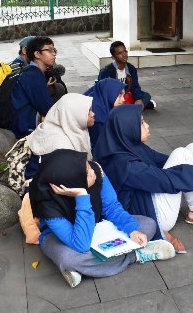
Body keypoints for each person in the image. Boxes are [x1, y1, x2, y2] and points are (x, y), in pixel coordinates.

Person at [28, 96, 175, 288]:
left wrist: (131, 229)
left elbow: (112, 207)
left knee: (147, 225)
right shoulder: (48, 203)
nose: (93, 171)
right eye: (86, 171)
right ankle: (136, 255)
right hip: (68, 237)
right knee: (68, 256)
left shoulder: (95, 170)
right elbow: (79, 242)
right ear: (68, 184)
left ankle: (88, 269)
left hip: (99, 227)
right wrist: (82, 196)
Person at [95, 105, 193, 252]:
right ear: (127, 128)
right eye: (141, 123)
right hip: (155, 215)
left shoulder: (129, 146)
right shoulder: (123, 164)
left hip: (155, 197)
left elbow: (162, 160)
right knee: (182, 154)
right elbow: (165, 179)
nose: (147, 126)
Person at [8, 36, 56, 138]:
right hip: (23, 126)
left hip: (19, 120)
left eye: (54, 50)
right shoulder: (34, 75)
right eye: (49, 50)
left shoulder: (31, 71)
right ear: (37, 54)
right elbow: (47, 108)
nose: (54, 54)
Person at [98, 41, 155, 110]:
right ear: (113, 57)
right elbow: (101, 91)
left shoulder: (131, 68)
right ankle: (138, 107)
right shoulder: (106, 71)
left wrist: (138, 99)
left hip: (127, 96)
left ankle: (131, 108)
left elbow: (135, 86)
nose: (124, 55)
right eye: (120, 53)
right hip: (114, 99)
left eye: (125, 51)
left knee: (146, 95)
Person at [83, 79, 126, 150]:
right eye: (119, 95)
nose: (123, 99)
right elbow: (102, 146)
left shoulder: (100, 99)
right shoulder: (97, 117)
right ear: (109, 93)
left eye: (123, 95)